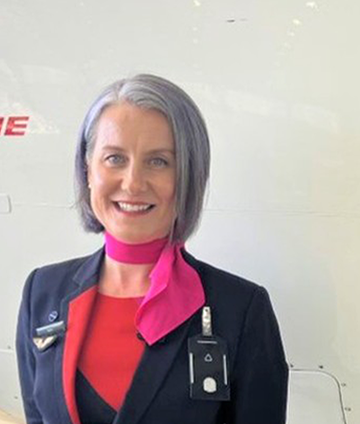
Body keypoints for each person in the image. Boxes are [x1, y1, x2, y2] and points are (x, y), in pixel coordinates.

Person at [16, 74, 288, 424]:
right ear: (87, 170)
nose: (133, 183)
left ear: (190, 175)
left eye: (159, 161)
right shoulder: (43, 293)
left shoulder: (240, 310)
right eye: (114, 158)